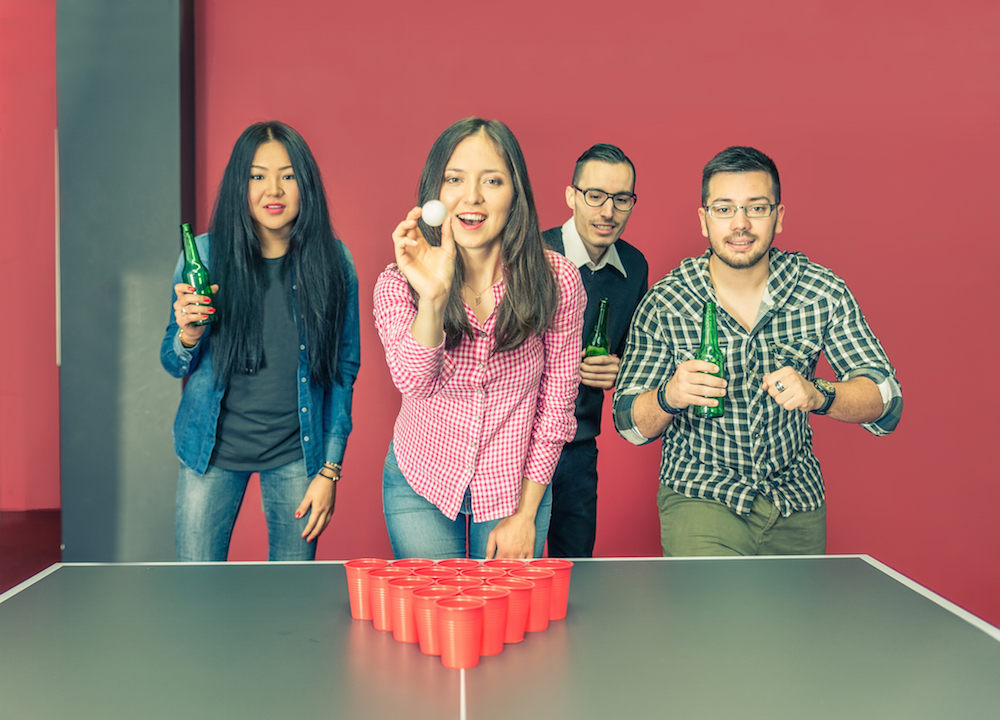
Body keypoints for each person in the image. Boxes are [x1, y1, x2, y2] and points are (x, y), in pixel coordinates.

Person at [612, 146, 902, 556]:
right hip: (702, 496)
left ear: (779, 216)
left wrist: (821, 395)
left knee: (795, 623)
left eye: (757, 208)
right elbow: (628, 423)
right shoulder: (666, 302)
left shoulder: (821, 291)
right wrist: (669, 396)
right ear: (704, 219)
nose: (741, 224)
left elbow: (887, 400)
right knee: (716, 621)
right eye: (724, 209)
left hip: (796, 501)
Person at [374, 117, 586, 560]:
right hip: (421, 483)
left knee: (505, 625)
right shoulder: (397, 284)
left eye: (492, 180)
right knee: (437, 624)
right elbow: (414, 382)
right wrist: (432, 297)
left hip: (513, 492)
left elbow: (556, 408)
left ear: (515, 195)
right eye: (455, 179)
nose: (471, 197)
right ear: (437, 190)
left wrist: (526, 513)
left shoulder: (557, 280)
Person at [160, 121, 360, 562]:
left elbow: (345, 370)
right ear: (240, 184)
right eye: (257, 176)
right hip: (209, 450)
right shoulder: (206, 257)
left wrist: (329, 470)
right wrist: (188, 336)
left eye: (288, 175)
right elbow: (173, 361)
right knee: (195, 593)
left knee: (289, 599)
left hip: (296, 452)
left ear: (305, 183)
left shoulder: (335, 262)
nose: (274, 189)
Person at [541, 144, 648, 557]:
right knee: (513, 572)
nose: (608, 211)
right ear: (571, 196)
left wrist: (621, 370)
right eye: (596, 196)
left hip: (581, 446)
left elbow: (636, 356)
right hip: (517, 445)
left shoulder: (635, 267)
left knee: (576, 570)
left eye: (622, 199)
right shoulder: (532, 254)